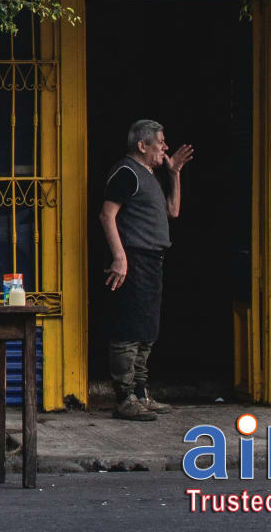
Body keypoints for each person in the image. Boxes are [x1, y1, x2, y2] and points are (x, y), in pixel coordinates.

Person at [98, 120, 193, 421]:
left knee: (146, 330)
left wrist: (174, 173)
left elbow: (173, 211)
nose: (165, 148)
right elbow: (106, 215)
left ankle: (140, 394)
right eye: (160, 143)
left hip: (152, 260)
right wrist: (120, 258)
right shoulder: (127, 173)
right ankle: (125, 398)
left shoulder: (149, 174)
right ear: (142, 145)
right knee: (128, 331)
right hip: (133, 260)